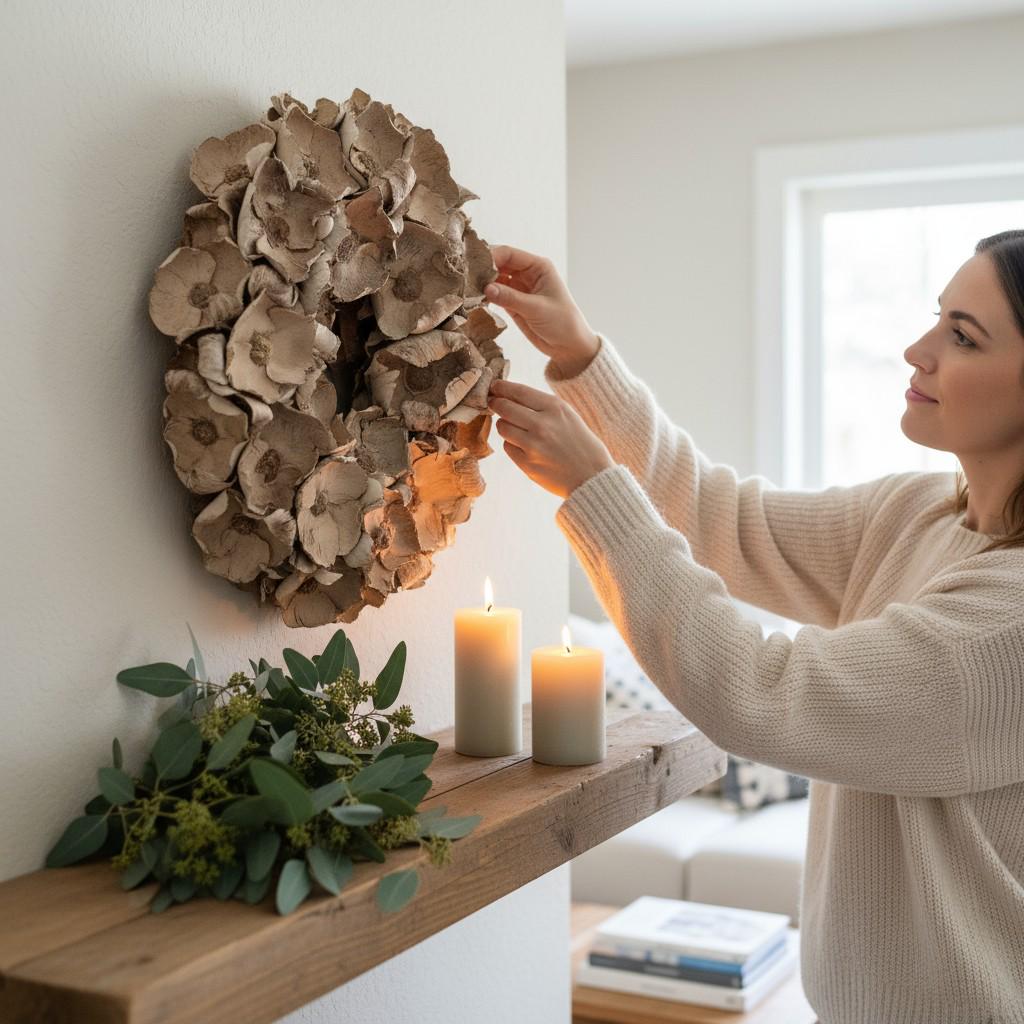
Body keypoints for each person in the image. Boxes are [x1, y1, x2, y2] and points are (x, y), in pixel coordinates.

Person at [484, 232, 1024, 1024]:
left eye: (963, 336)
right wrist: (579, 353)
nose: (918, 350)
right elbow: (724, 518)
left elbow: (764, 692)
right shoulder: (918, 513)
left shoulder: (1005, 625)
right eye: (936, 318)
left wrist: (596, 485)